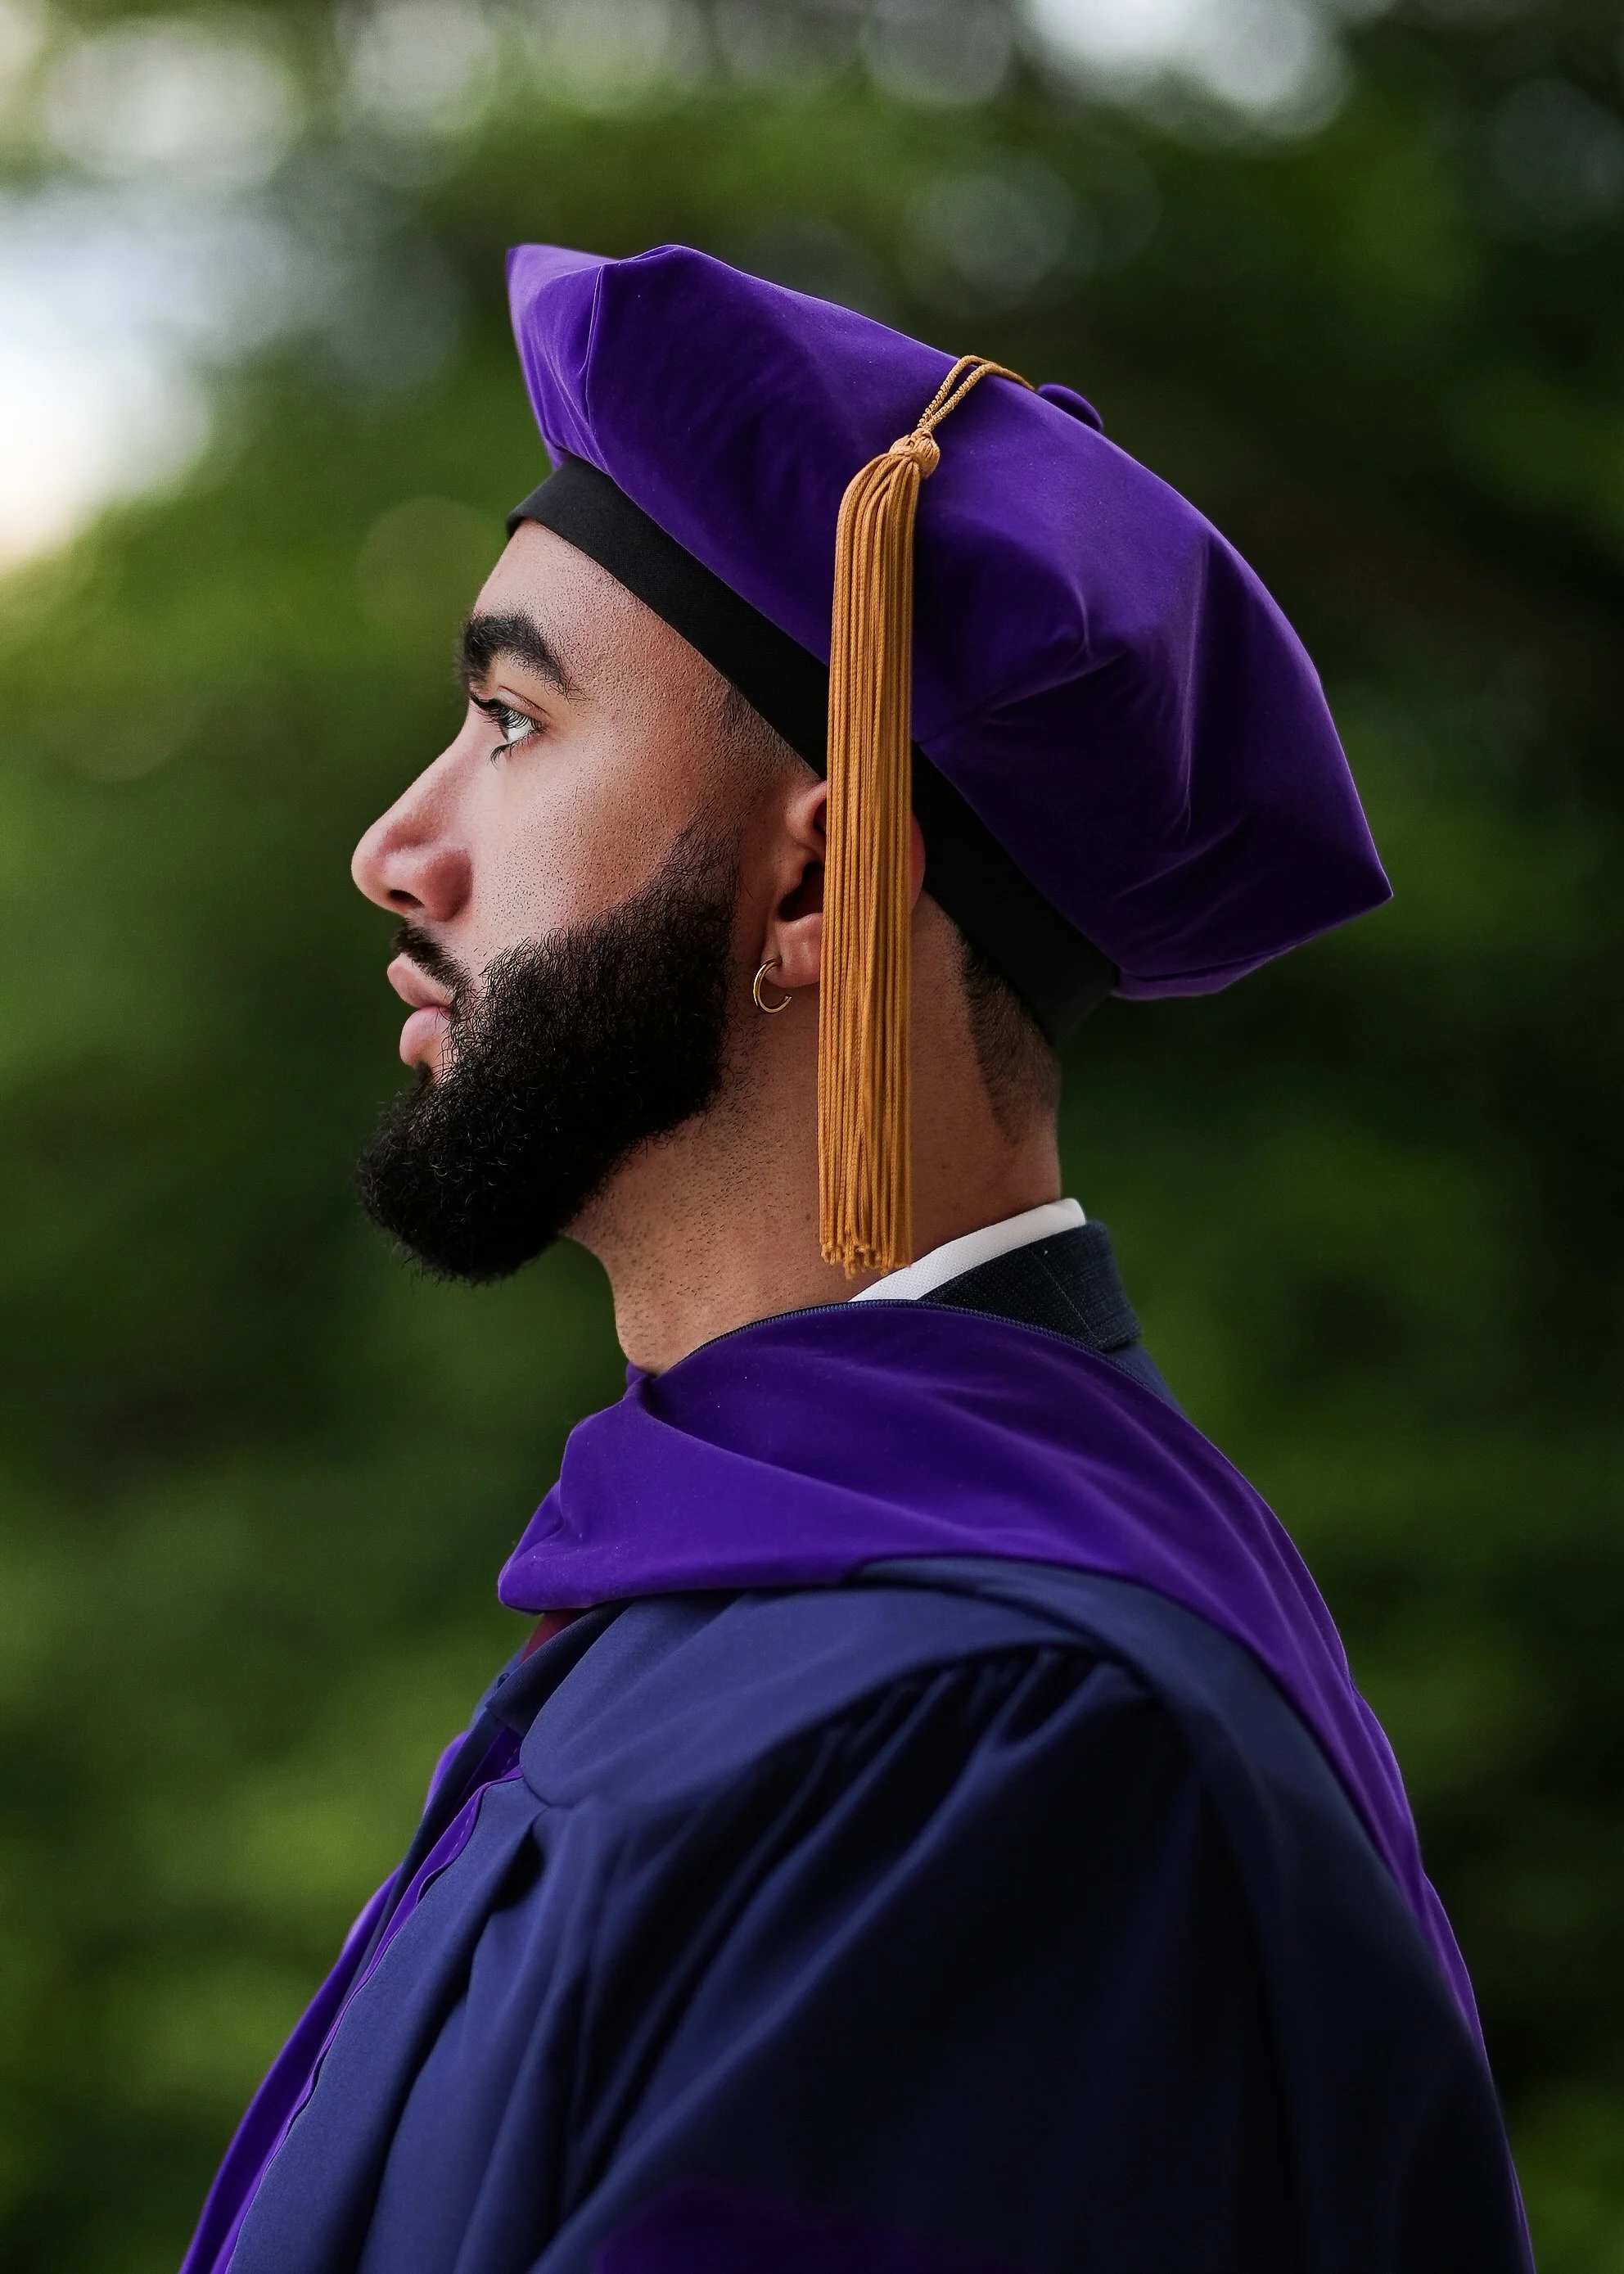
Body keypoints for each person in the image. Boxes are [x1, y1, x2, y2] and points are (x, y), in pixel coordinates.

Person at [181, 242, 1529, 2274]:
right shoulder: (756, 1605)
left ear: (810, 872)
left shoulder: (1007, 1743)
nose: (398, 840)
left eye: (509, 721)